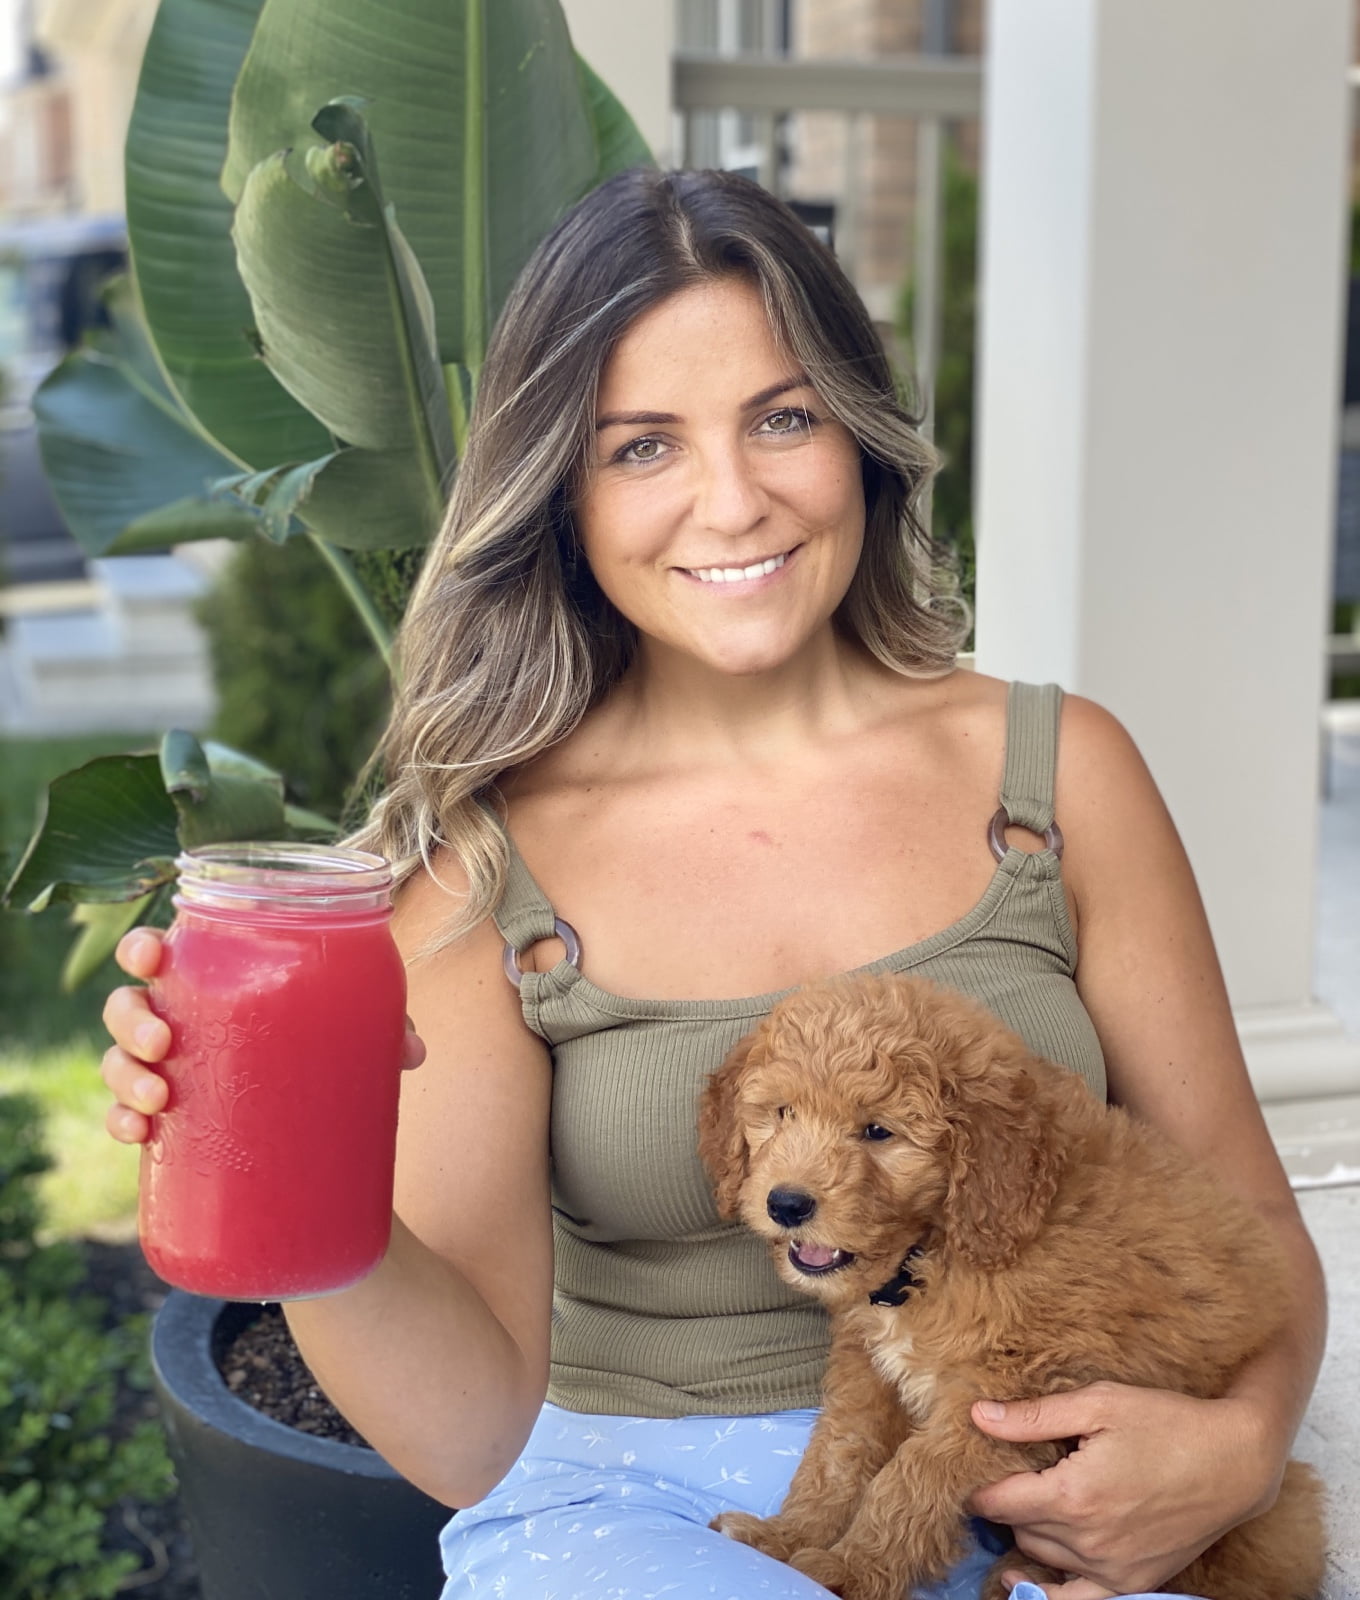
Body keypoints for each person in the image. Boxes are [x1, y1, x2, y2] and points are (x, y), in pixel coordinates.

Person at [99, 167, 1324, 1600]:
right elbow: (471, 1427)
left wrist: (1233, 1449)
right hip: (651, 1513)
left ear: (859, 438)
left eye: (782, 418)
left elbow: (1252, 1229)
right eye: (642, 448)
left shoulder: (1056, 780)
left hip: (1060, 1489)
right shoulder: (485, 867)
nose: (731, 502)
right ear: (560, 490)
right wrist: (302, 1187)